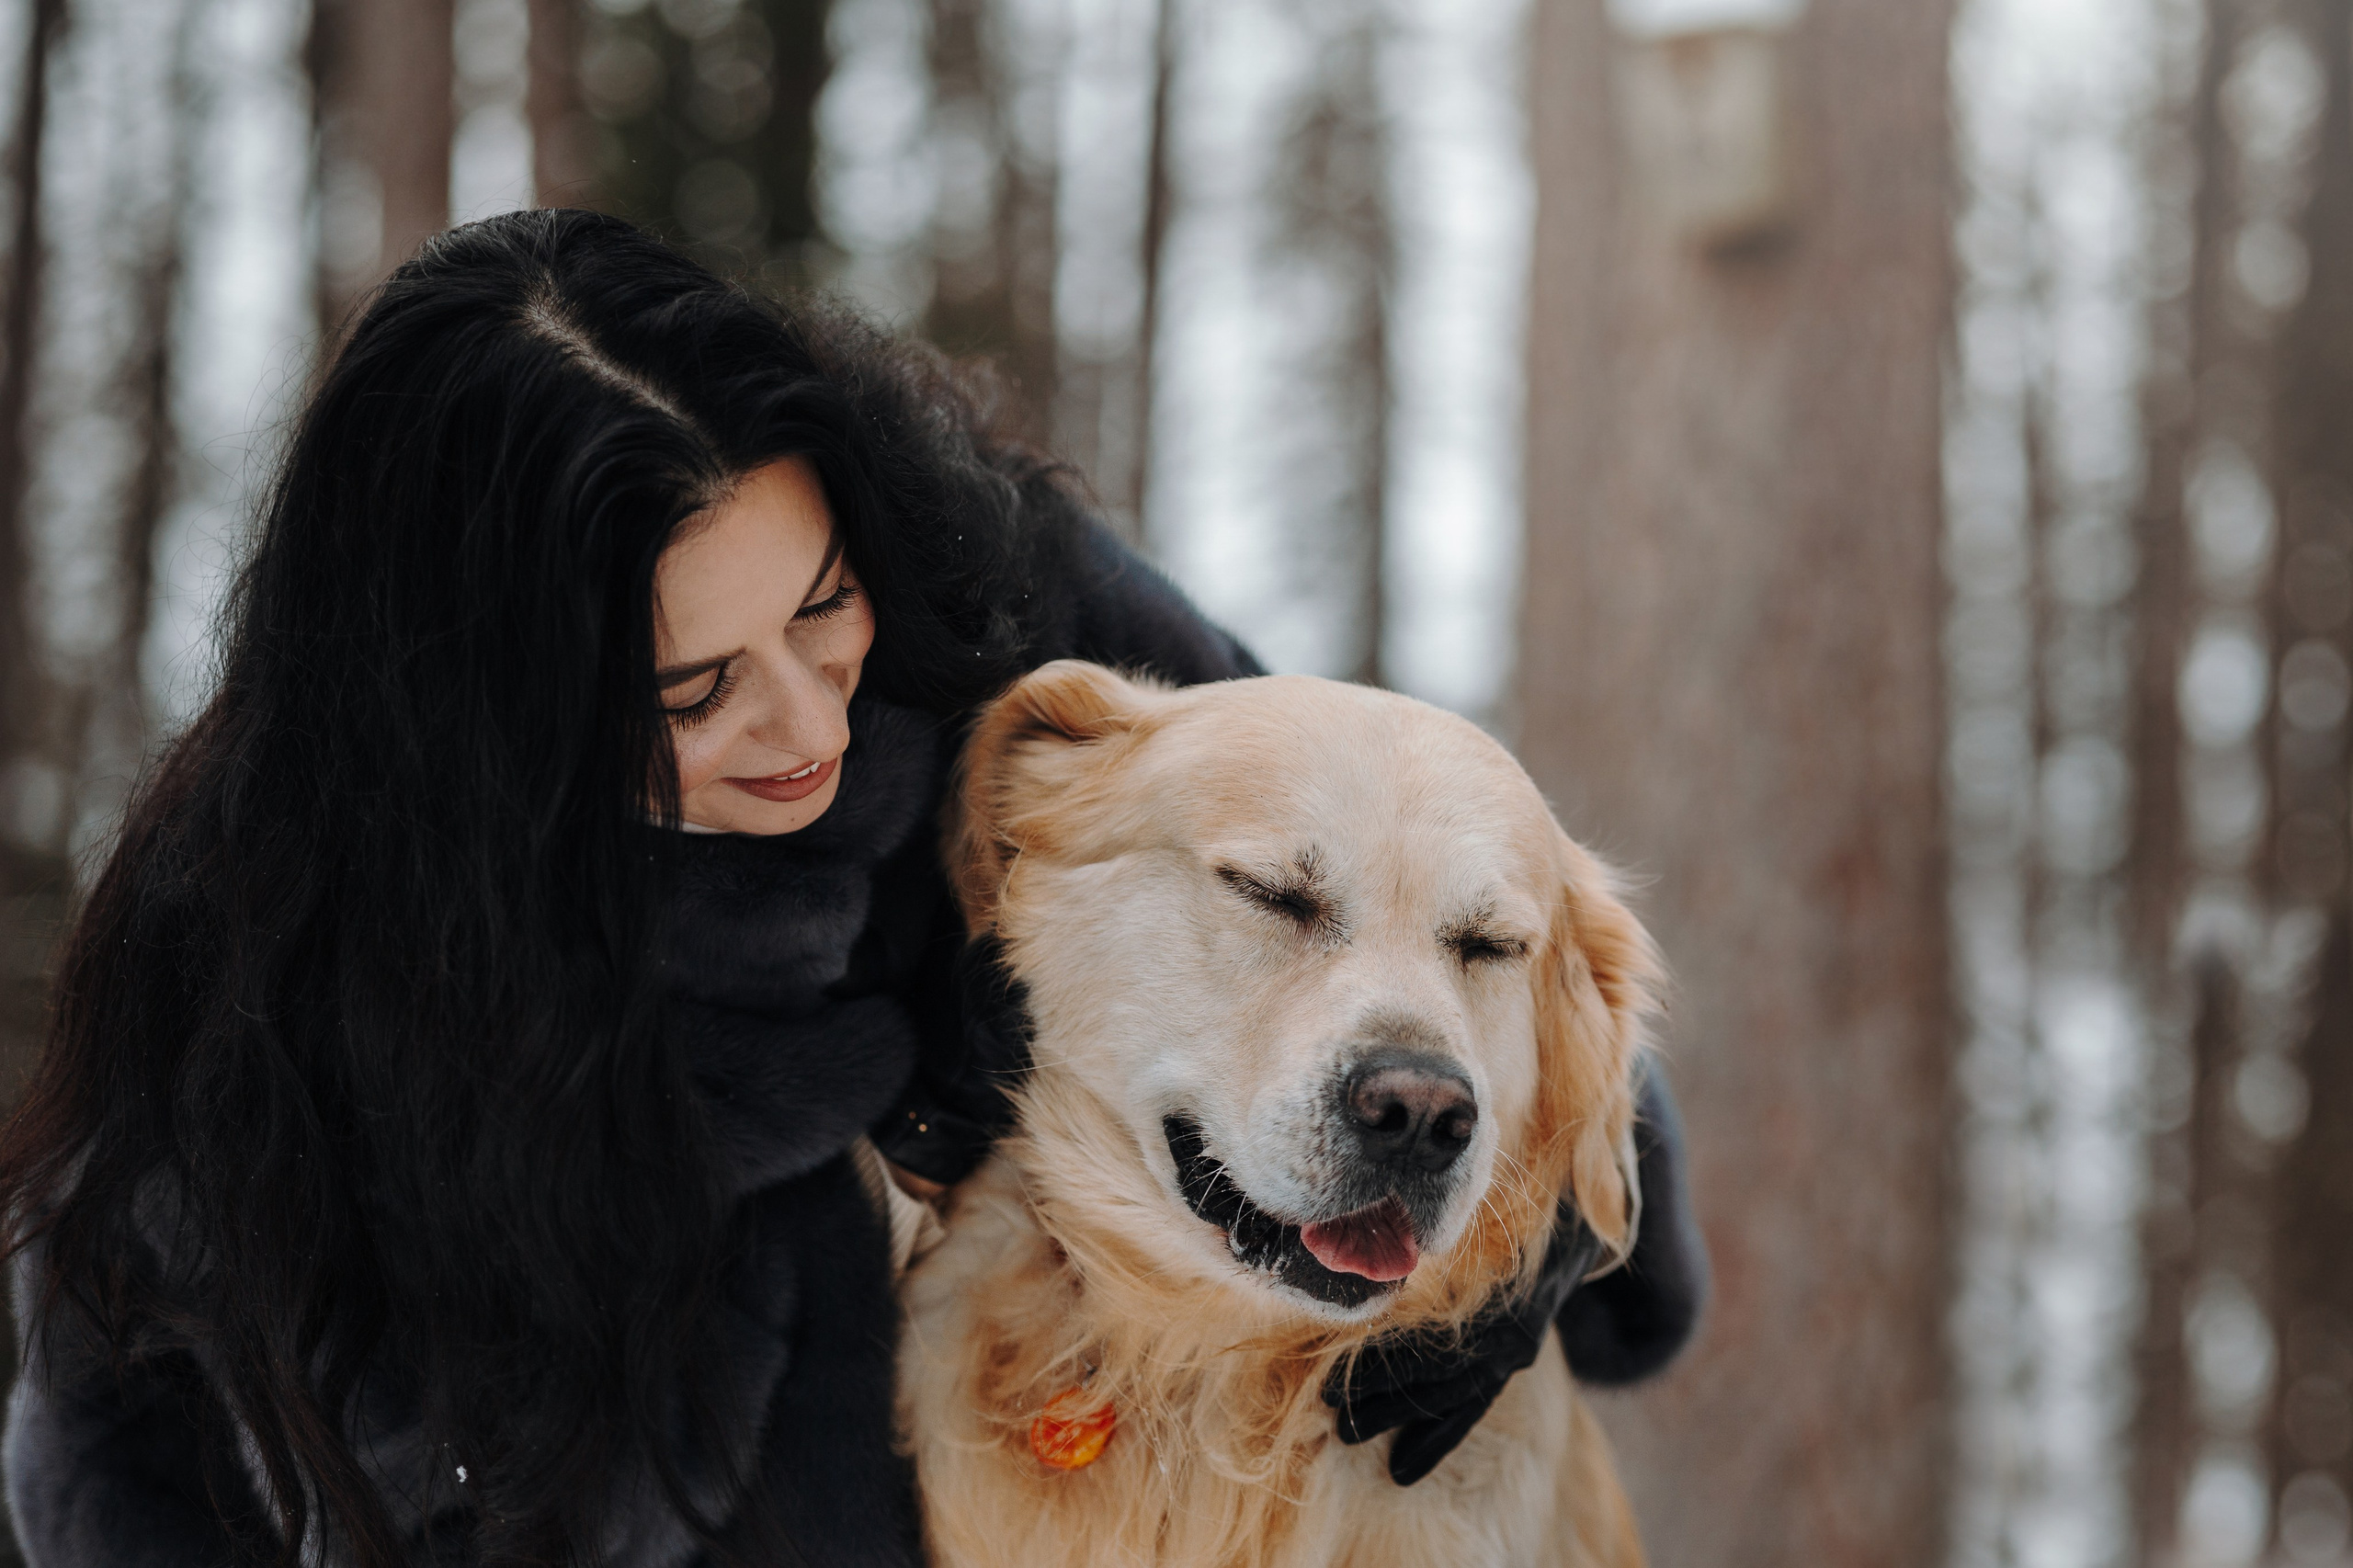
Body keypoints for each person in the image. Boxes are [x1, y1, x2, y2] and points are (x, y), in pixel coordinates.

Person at [0, 209, 1701, 1568]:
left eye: (819, 608)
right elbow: (107, 1447)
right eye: (693, 689)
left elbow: (1435, 853)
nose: (810, 717)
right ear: (489, 712)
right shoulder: (270, 968)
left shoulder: (983, 580)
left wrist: (1547, 1214)